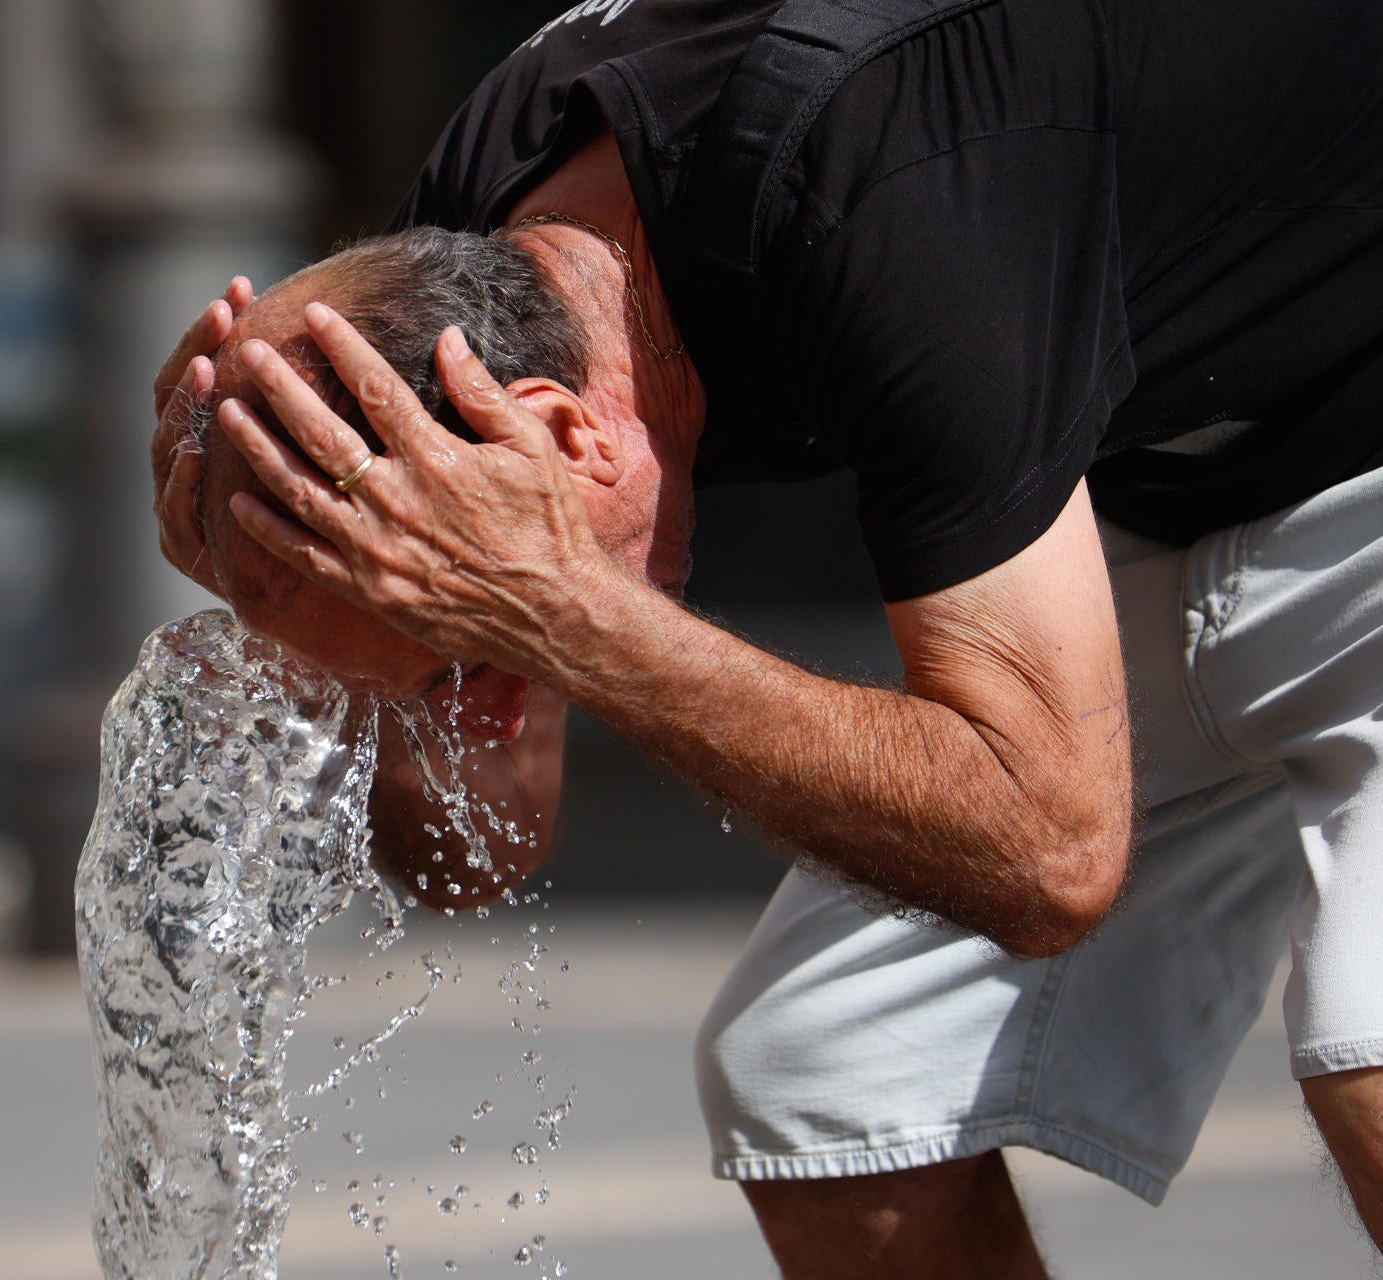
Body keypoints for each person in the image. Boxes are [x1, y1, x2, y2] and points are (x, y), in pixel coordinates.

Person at [149, 0, 1383, 1270]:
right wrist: (280, 606)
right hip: (1178, 457)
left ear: (561, 439)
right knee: (831, 1084)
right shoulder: (467, 269)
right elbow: (482, 848)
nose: (485, 704)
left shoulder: (885, 191)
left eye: (463, 650)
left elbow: (1052, 848)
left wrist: (568, 613)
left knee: (1371, 1050)